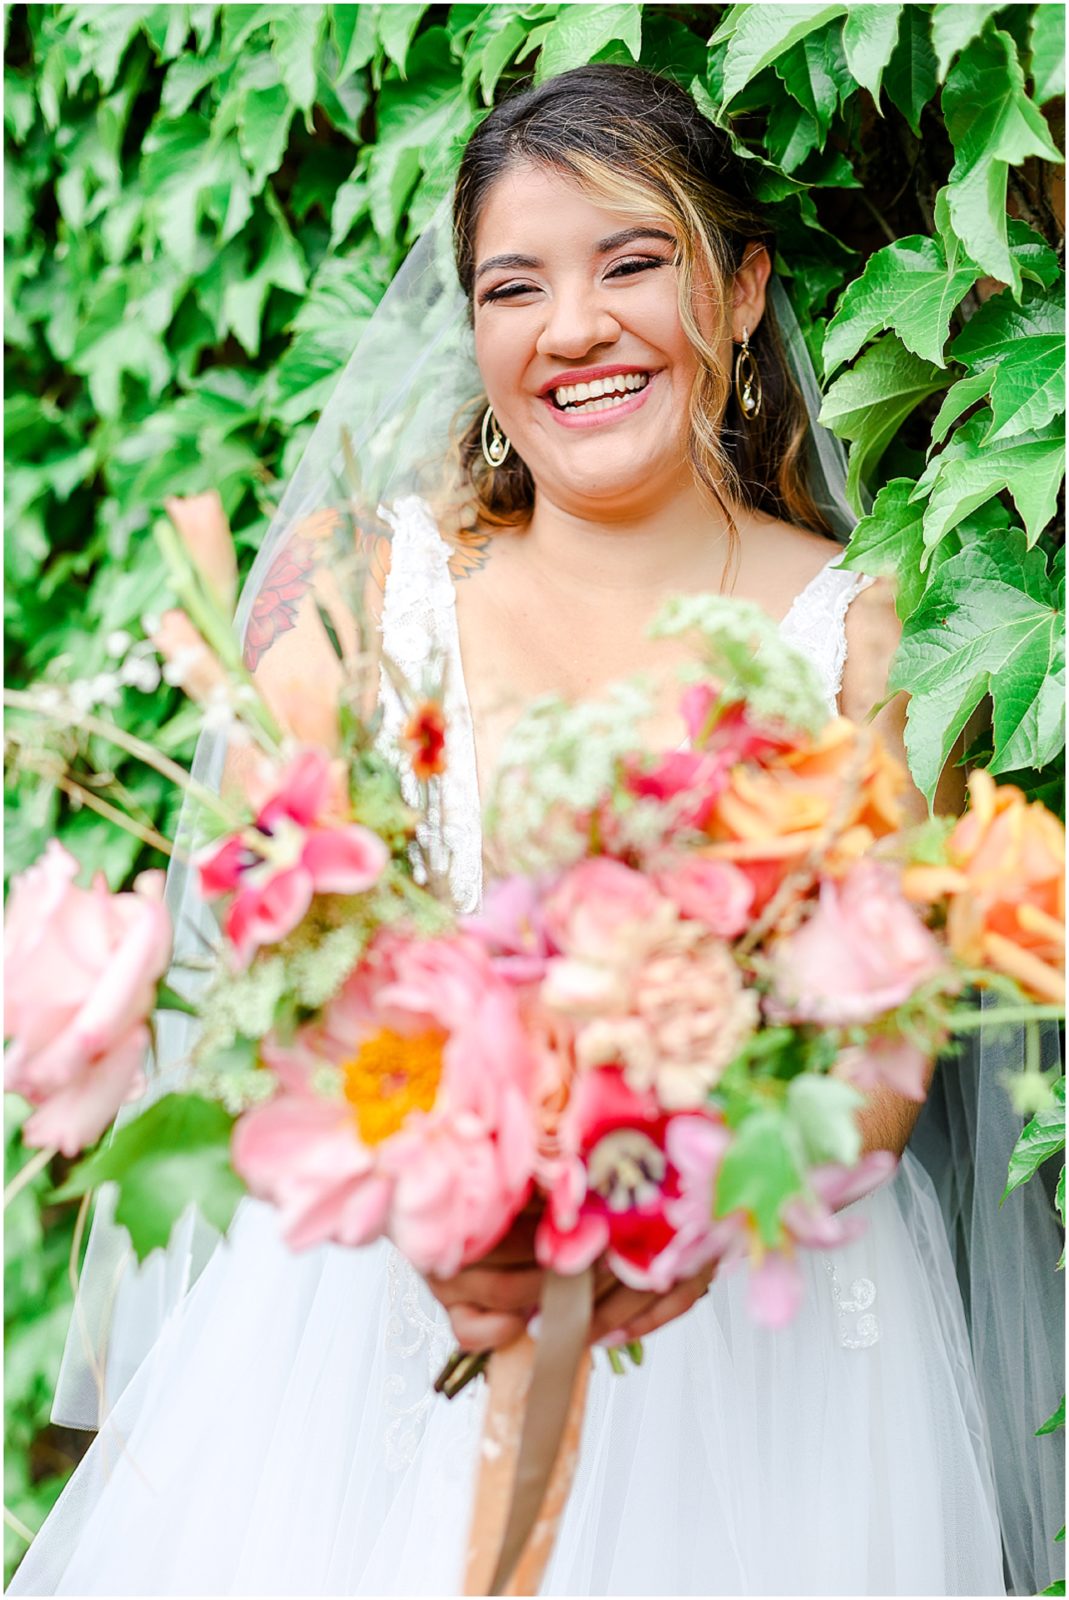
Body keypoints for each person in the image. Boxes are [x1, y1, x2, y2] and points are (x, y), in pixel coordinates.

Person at [11, 65, 1060, 1597]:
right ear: (474, 329)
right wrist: (465, 1194)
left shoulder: (857, 629)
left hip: (764, 1333)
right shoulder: (366, 595)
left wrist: (662, 1208)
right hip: (396, 1311)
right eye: (514, 287)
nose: (572, 328)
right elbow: (266, 976)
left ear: (741, 286)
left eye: (631, 263)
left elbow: (887, 1048)